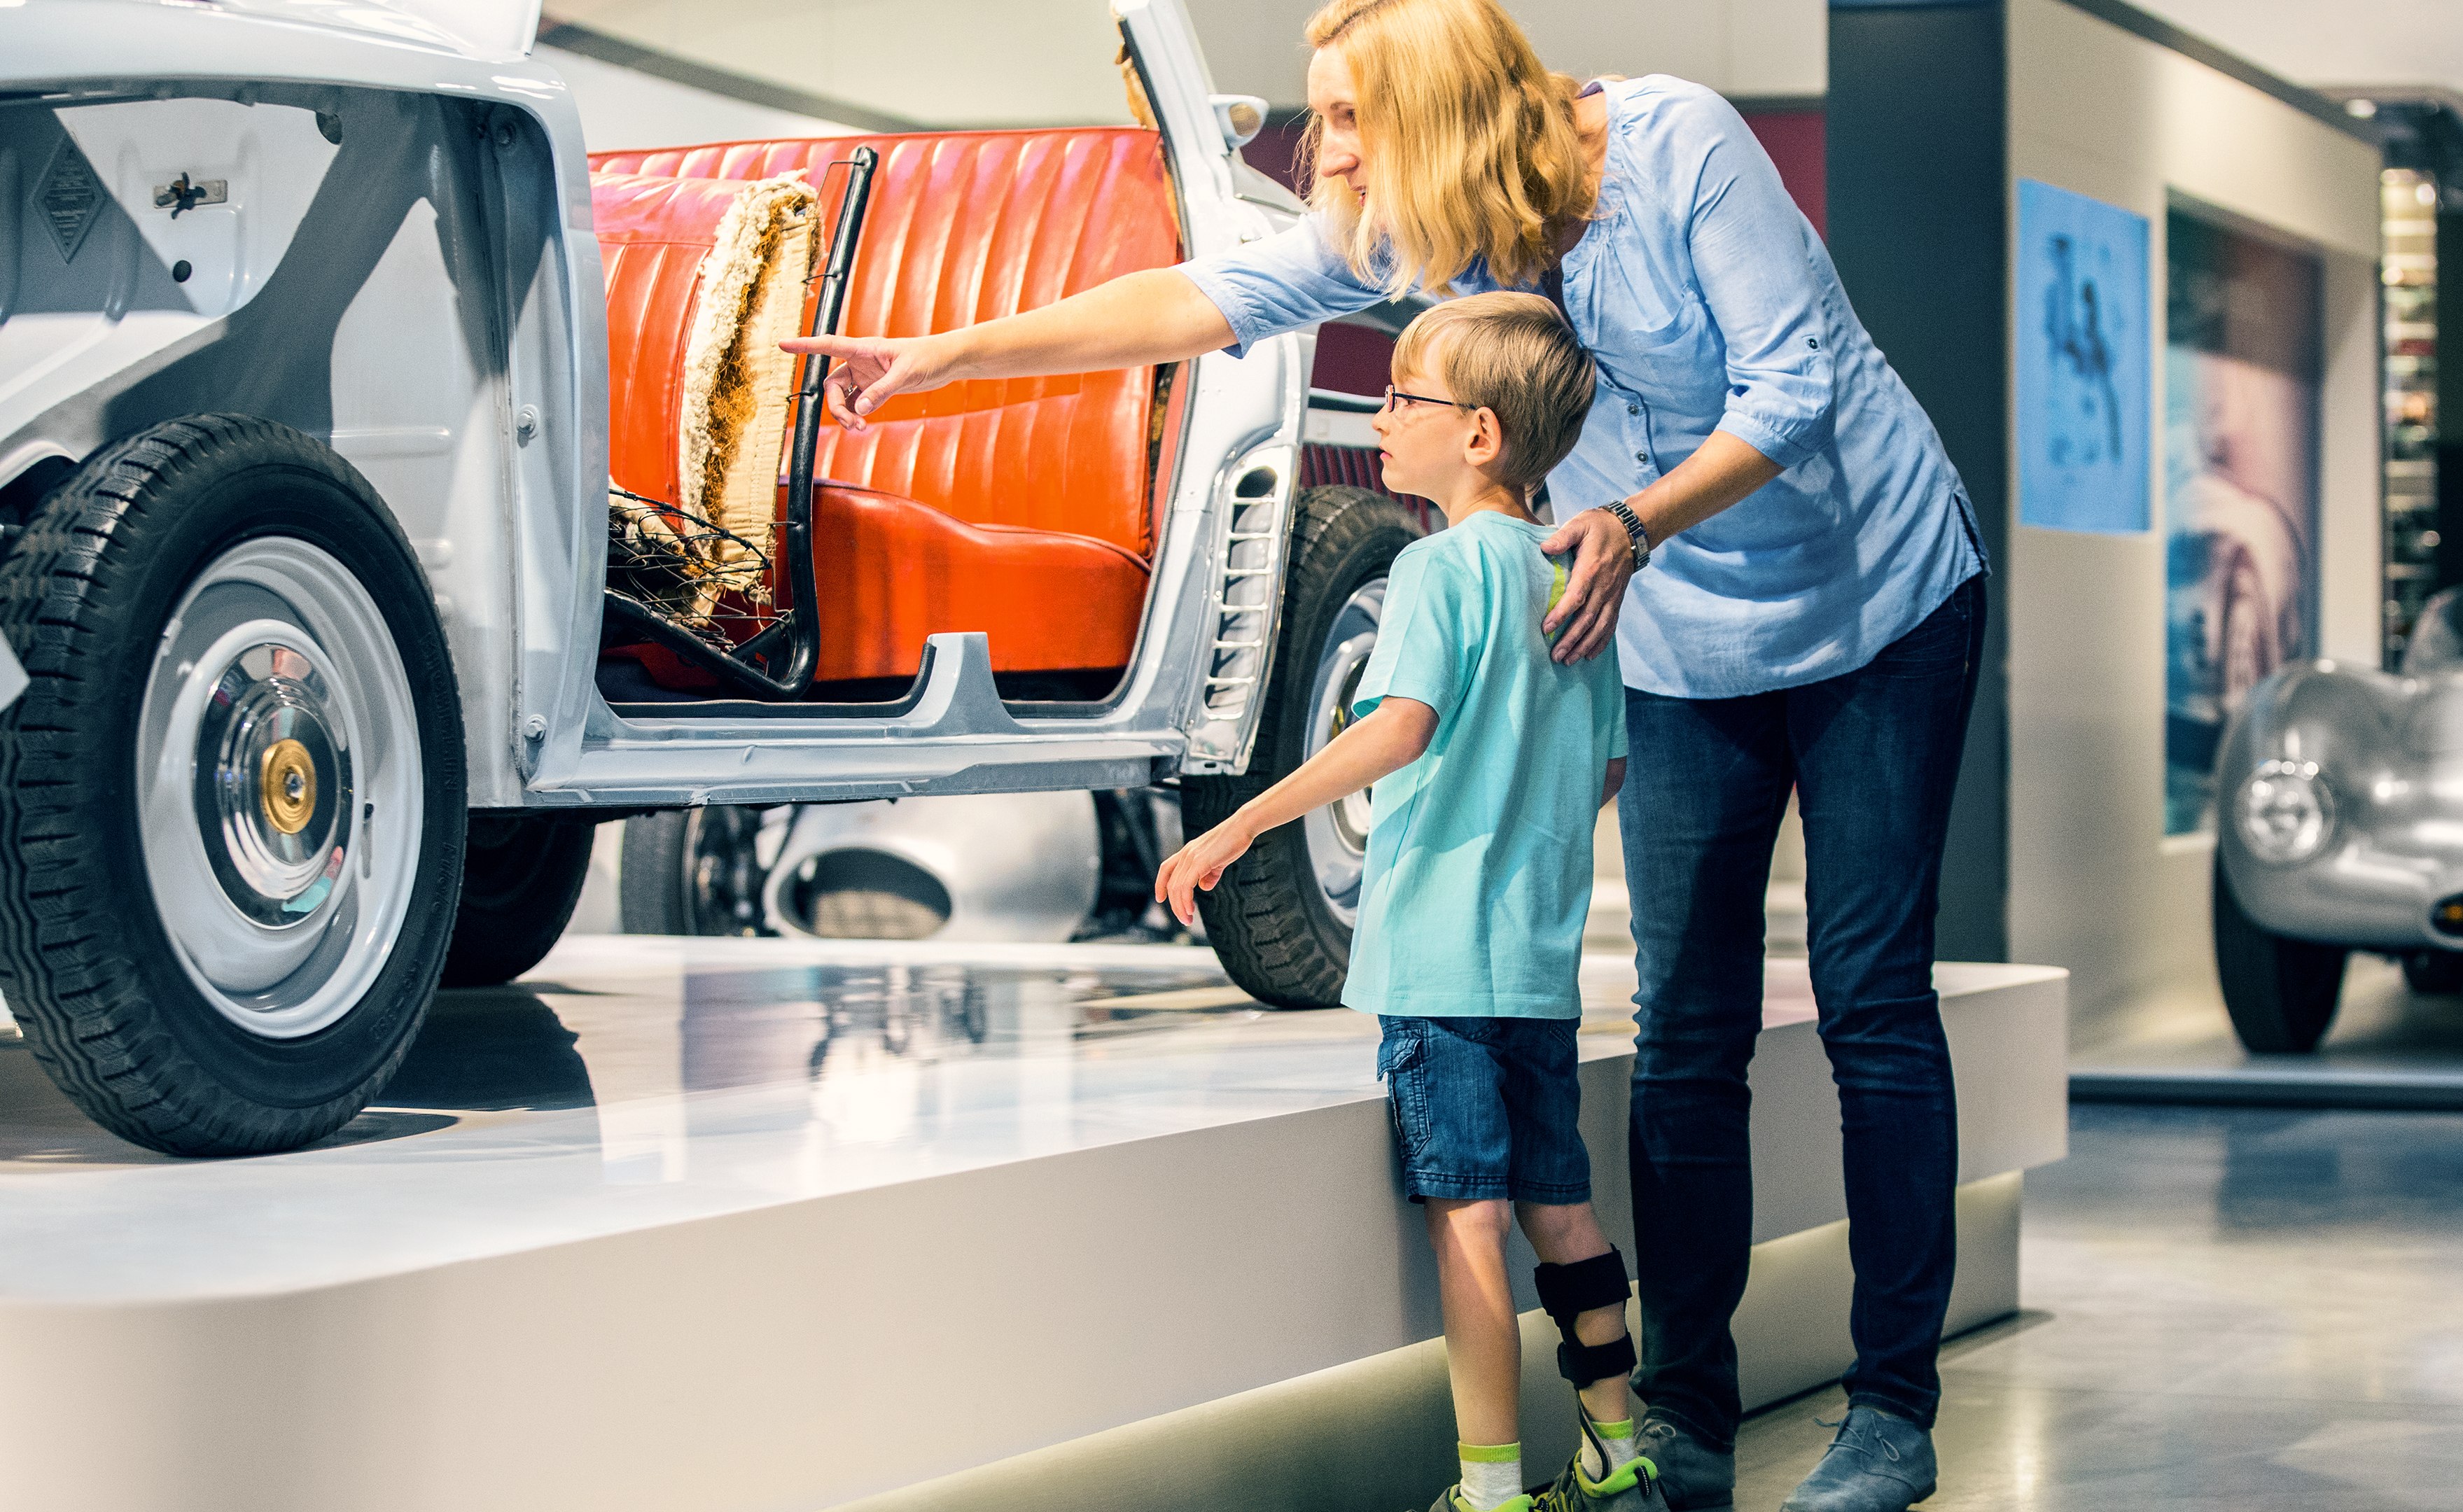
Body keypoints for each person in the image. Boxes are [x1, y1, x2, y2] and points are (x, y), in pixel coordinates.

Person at [783, 3, 1985, 1506]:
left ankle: (1890, 1411)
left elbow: (1795, 393)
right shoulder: (1424, 235)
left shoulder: (1677, 143)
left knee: (1874, 1004)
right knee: (1688, 1033)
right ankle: (1680, 1423)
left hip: (1878, 595)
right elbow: (1199, 299)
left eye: (1352, 118)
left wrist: (1637, 523)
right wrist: (954, 356)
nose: (1327, 152)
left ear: (1442, 108)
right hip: (1678, 639)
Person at [1154, 293, 1652, 1512]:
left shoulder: (1434, 565)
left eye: (1399, 396)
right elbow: (1610, 768)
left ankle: (1488, 1493)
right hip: (1536, 971)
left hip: (1438, 966)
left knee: (1468, 1225)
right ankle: (1621, 1452)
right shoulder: (1566, 581)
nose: (1377, 418)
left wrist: (1246, 817)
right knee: (1564, 1217)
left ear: (1478, 433)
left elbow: (1400, 726)